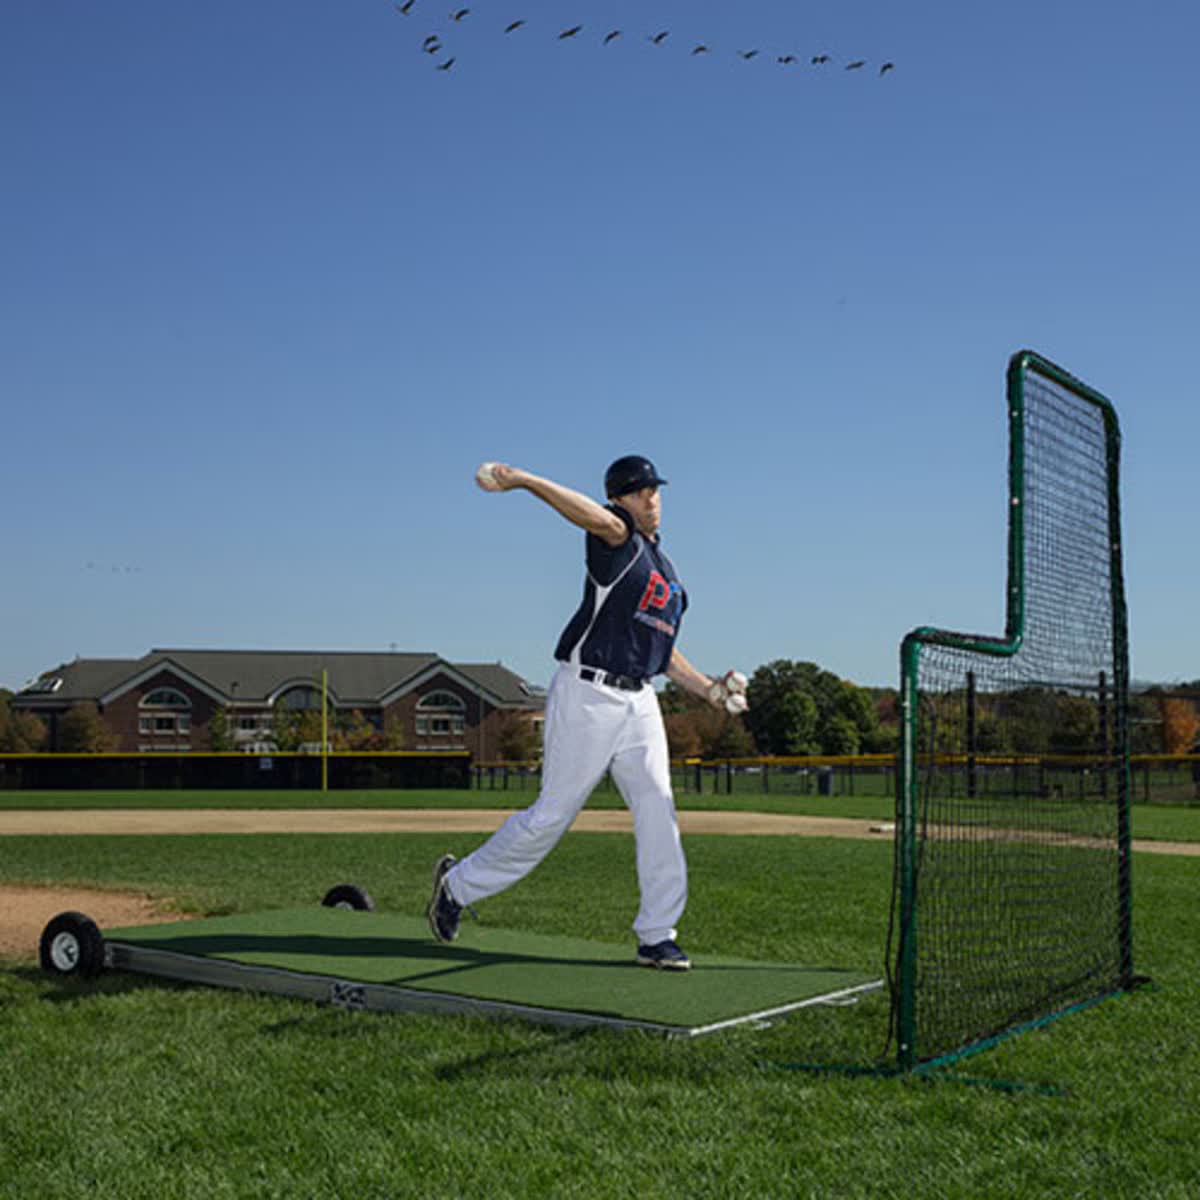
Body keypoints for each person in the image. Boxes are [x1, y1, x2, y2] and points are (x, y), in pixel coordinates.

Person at [427, 454, 745, 970]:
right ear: (619, 499)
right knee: (551, 816)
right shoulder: (617, 541)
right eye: (640, 491)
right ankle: (457, 885)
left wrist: (709, 690)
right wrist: (525, 481)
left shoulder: (665, 571)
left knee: (658, 807)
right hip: (589, 694)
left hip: (640, 700)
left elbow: (663, 653)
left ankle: (657, 935)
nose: (652, 498)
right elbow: (592, 518)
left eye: (655, 490)